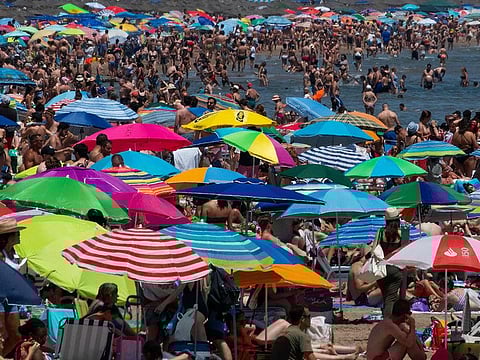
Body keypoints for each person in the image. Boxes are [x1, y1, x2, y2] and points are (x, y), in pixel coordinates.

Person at [372, 208, 403, 318]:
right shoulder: (401, 233)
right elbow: (405, 250)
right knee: (391, 297)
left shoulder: (381, 232)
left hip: (381, 268)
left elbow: (374, 249)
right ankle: (388, 320)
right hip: (395, 268)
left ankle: (386, 318)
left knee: (386, 296)